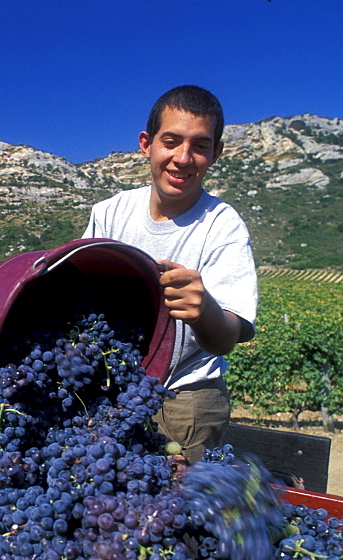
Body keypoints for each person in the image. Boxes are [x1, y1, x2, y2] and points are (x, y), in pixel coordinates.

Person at [82, 84, 258, 463]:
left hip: (186, 401)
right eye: (171, 141)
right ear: (147, 144)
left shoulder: (222, 226)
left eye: (200, 145)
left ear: (216, 153)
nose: (183, 158)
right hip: (112, 392)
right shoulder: (110, 214)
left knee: (176, 513)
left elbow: (226, 337)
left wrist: (205, 310)